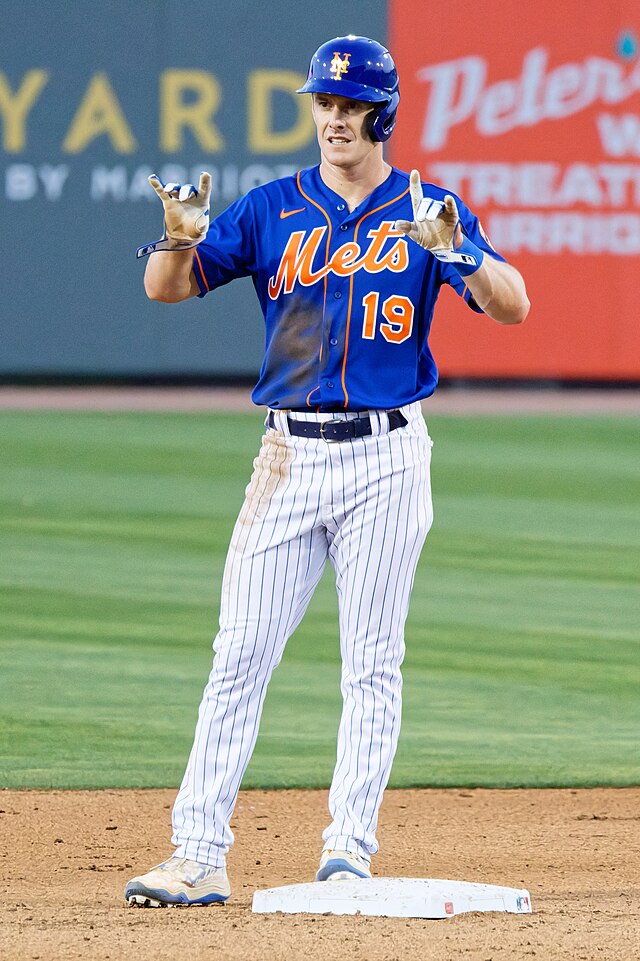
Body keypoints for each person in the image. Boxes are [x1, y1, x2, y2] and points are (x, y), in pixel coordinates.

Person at [125, 35, 529, 907]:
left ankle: (348, 848)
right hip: (287, 454)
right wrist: (174, 235)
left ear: (380, 114)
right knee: (239, 653)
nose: (333, 118)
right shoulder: (275, 207)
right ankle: (198, 853)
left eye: (349, 106)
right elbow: (167, 286)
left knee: (372, 663)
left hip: (387, 455)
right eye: (324, 103)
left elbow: (513, 306)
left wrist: (460, 253)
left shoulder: (427, 206)